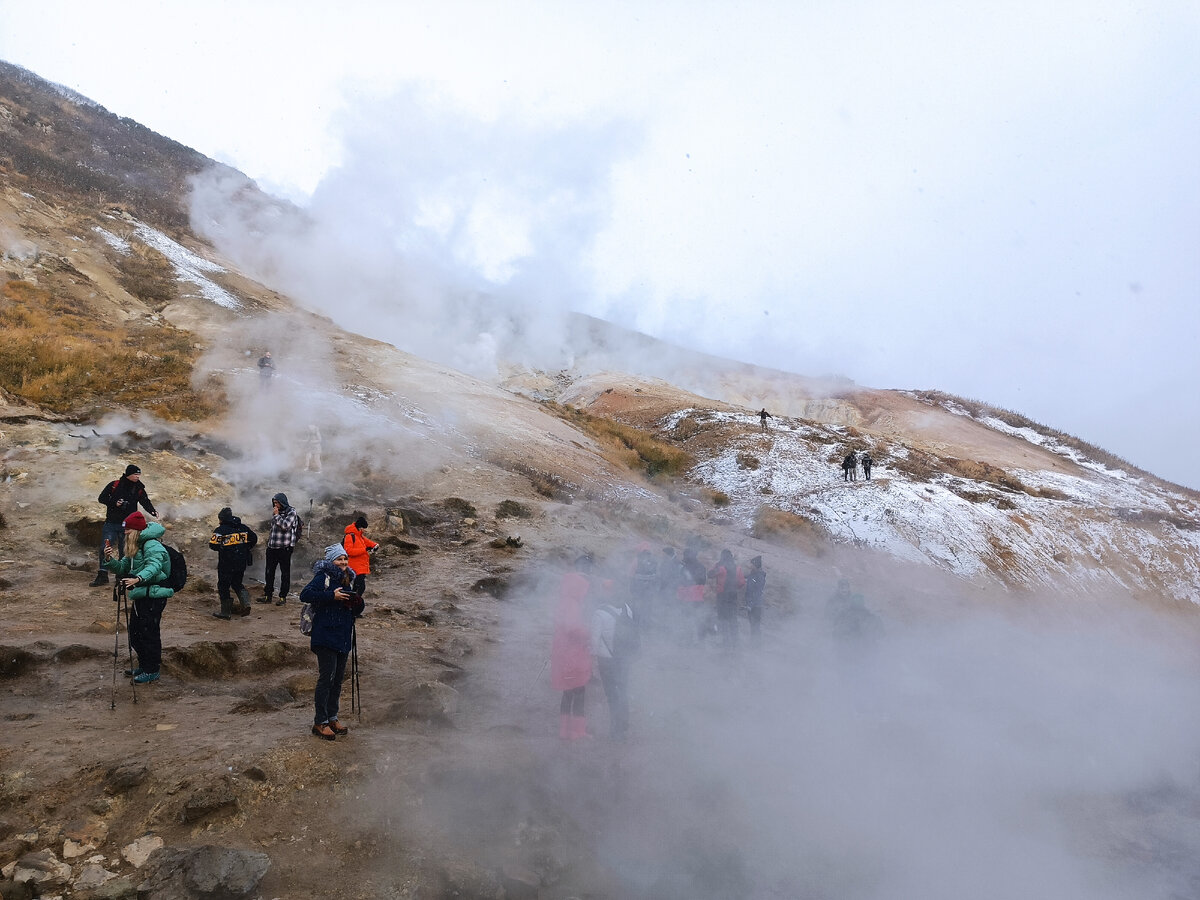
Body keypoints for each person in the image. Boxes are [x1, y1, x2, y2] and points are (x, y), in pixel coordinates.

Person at [300, 544, 364, 740]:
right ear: (331, 561)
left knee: (337, 680)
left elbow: (355, 609)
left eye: (345, 559)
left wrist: (357, 603)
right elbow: (305, 595)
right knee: (326, 678)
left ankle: (332, 717)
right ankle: (320, 722)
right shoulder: (323, 577)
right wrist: (332, 595)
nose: (343, 562)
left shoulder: (348, 579)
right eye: (339, 559)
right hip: (325, 634)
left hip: (343, 634)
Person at [103, 511, 173, 684]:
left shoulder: (152, 545)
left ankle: (152, 670)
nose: (124, 533)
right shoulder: (135, 546)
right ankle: (144, 665)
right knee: (136, 633)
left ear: (136, 530)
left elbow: (155, 566)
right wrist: (108, 559)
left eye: (127, 530)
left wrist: (138, 578)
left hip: (154, 595)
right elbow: (122, 568)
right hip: (141, 594)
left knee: (149, 633)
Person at [91, 464, 157, 586]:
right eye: (135, 474)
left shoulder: (139, 488)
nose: (138, 477)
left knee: (125, 551)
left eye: (139, 474)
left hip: (128, 526)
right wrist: (114, 503)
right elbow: (102, 498)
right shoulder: (114, 485)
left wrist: (152, 511)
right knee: (105, 548)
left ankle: (121, 576)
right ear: (128, 474)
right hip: (111, 523)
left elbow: (145, 501)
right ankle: (102, 574)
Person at [551, 555, 593, 740]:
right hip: (573, 656)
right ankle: (578, 732)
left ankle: (564, 731)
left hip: (563, 653)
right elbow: (573, 628)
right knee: (579, 691)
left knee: (567, 693)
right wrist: (589, 633)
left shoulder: (564, 600)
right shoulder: (573, 604)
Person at [592, 598, 639, 741]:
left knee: (612, 696)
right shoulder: (627, 608)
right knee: (623, 691)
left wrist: (591, 663)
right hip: (624, 659)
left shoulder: (599, 614)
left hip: (606, 661)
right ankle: (623, 725)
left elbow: (594, 642)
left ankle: (615, 732)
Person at [208, 507, 257, 619]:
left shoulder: (220, 530)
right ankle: (246, 604)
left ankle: (225, 612)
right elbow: (254, 538)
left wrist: (223, 548)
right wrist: (245, 548)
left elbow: (213, 545)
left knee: (223, 586)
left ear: (222, 519)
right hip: (241, 562)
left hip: (226, 563)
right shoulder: (242, 527)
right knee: (237, 584)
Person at [260, 492, 304, 606]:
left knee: (285, 573)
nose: (275, 505)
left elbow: (285, 526)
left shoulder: (291, 512)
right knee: (269, 572)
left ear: (282, 502)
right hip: (272, 547)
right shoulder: (276, 512)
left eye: (277, 503)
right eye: (274, 503)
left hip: (284, 548)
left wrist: (276, 515)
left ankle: (282, 597)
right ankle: (267, 595)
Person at [708, 549, 745, 650]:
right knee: (733, 619)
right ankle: (735, 643)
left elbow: (710, 574)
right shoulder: (738, 568)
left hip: (722, 596)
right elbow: (742, 583)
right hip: (733, 595)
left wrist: (717, 565)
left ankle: (726, 643)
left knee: (723, 619)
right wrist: (735, 587)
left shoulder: (721, 568)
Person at [677, 547, 708, 645]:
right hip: (698, 597)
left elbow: (681, 581)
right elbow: (703, 581)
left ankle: (689, 640)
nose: (683, 557)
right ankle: (701, 640)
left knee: (687, 619)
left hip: (687, 597)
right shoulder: (702, 567)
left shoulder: (685, 568)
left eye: (685, 555)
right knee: (699, 618)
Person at [342, 515, 378, 597]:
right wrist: (365, 550)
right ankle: (353, 603)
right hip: (354, 567)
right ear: (360, 527)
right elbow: (349, 551)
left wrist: (375, 545)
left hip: (360, 567)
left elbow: (368, 542)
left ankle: (352, 602)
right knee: (359, 588)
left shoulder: (359, 535)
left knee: (357, 588)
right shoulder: (350, 536)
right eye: (364, 528)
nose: (365, 530)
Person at [744, 555, 766, 643]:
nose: (750, 566)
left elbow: (757, 592)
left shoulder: (759, 576)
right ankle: (754, 642)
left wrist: (751, 604)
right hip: (751, 603)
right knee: (752, 624)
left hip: (756, 605)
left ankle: (756, 644)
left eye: (752, 564)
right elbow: (746, 578)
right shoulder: (753, 574)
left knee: (755, 625)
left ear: (756, 565)